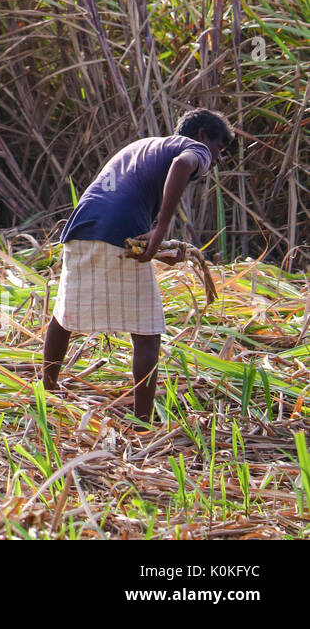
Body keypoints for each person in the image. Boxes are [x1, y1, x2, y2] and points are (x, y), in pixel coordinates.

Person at [42, 108, 234, 425]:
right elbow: (183, 164)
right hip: (114, 226)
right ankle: (143, 423)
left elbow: (119, 219)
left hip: (83, 226)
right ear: (202, 136)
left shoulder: (146, 146)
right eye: (219, 149)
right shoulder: (193, 149)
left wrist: (157, 250)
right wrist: (161, 230)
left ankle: (46, 390)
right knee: (147, 332)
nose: (217, 160)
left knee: (66, 314)